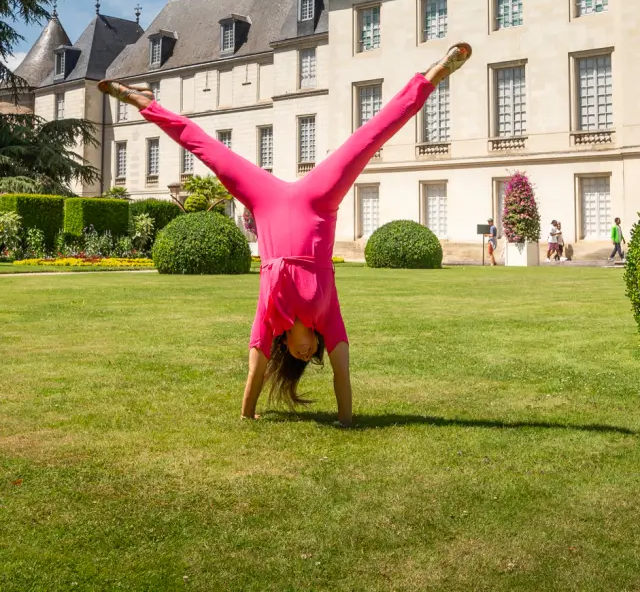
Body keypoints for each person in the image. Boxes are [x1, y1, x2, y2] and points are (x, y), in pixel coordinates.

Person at [98, 43, 473, 427]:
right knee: (369, 139)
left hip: (267, 201)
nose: (308, 352)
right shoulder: (327, 320)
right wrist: (346, 420)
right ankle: (432, 78)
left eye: (299, 355)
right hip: (317, 203)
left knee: (205, 148)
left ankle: (143, 101)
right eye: (312, 355)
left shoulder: (269, 321)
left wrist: (247, 413)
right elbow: (342, 373)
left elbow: (255, 373)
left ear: (286, 349)